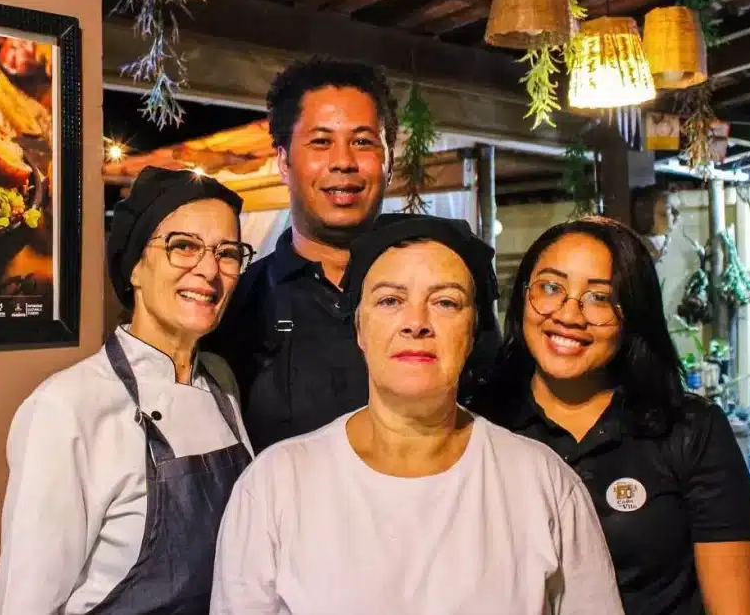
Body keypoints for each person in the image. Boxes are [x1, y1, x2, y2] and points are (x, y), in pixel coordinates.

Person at [210, 214, 625, 615]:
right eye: (390, 300)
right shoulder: (275, 486)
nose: (416, 323)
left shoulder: (543, 483)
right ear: (359, 328)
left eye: (445, 302)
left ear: (472, 331)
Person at [0, 167, 255, 615]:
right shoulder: (68, 408)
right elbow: (25, 605)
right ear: (134, 266)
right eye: (184, 246)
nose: (209, 269)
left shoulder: (222, 384)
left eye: (227, 253)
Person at [473, 216, 750, 615]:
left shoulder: (689, 429)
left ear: (633, 316)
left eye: (600, 297)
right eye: (551, 287)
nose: (569, 315)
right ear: (523, 297)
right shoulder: (479, 425)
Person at [201, 57, 397, 453]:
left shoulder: (439, 295)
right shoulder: (235, 305)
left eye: (363, 141)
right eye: (321, 142)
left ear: (389, 160)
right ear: (283, 162)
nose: (343, 161)